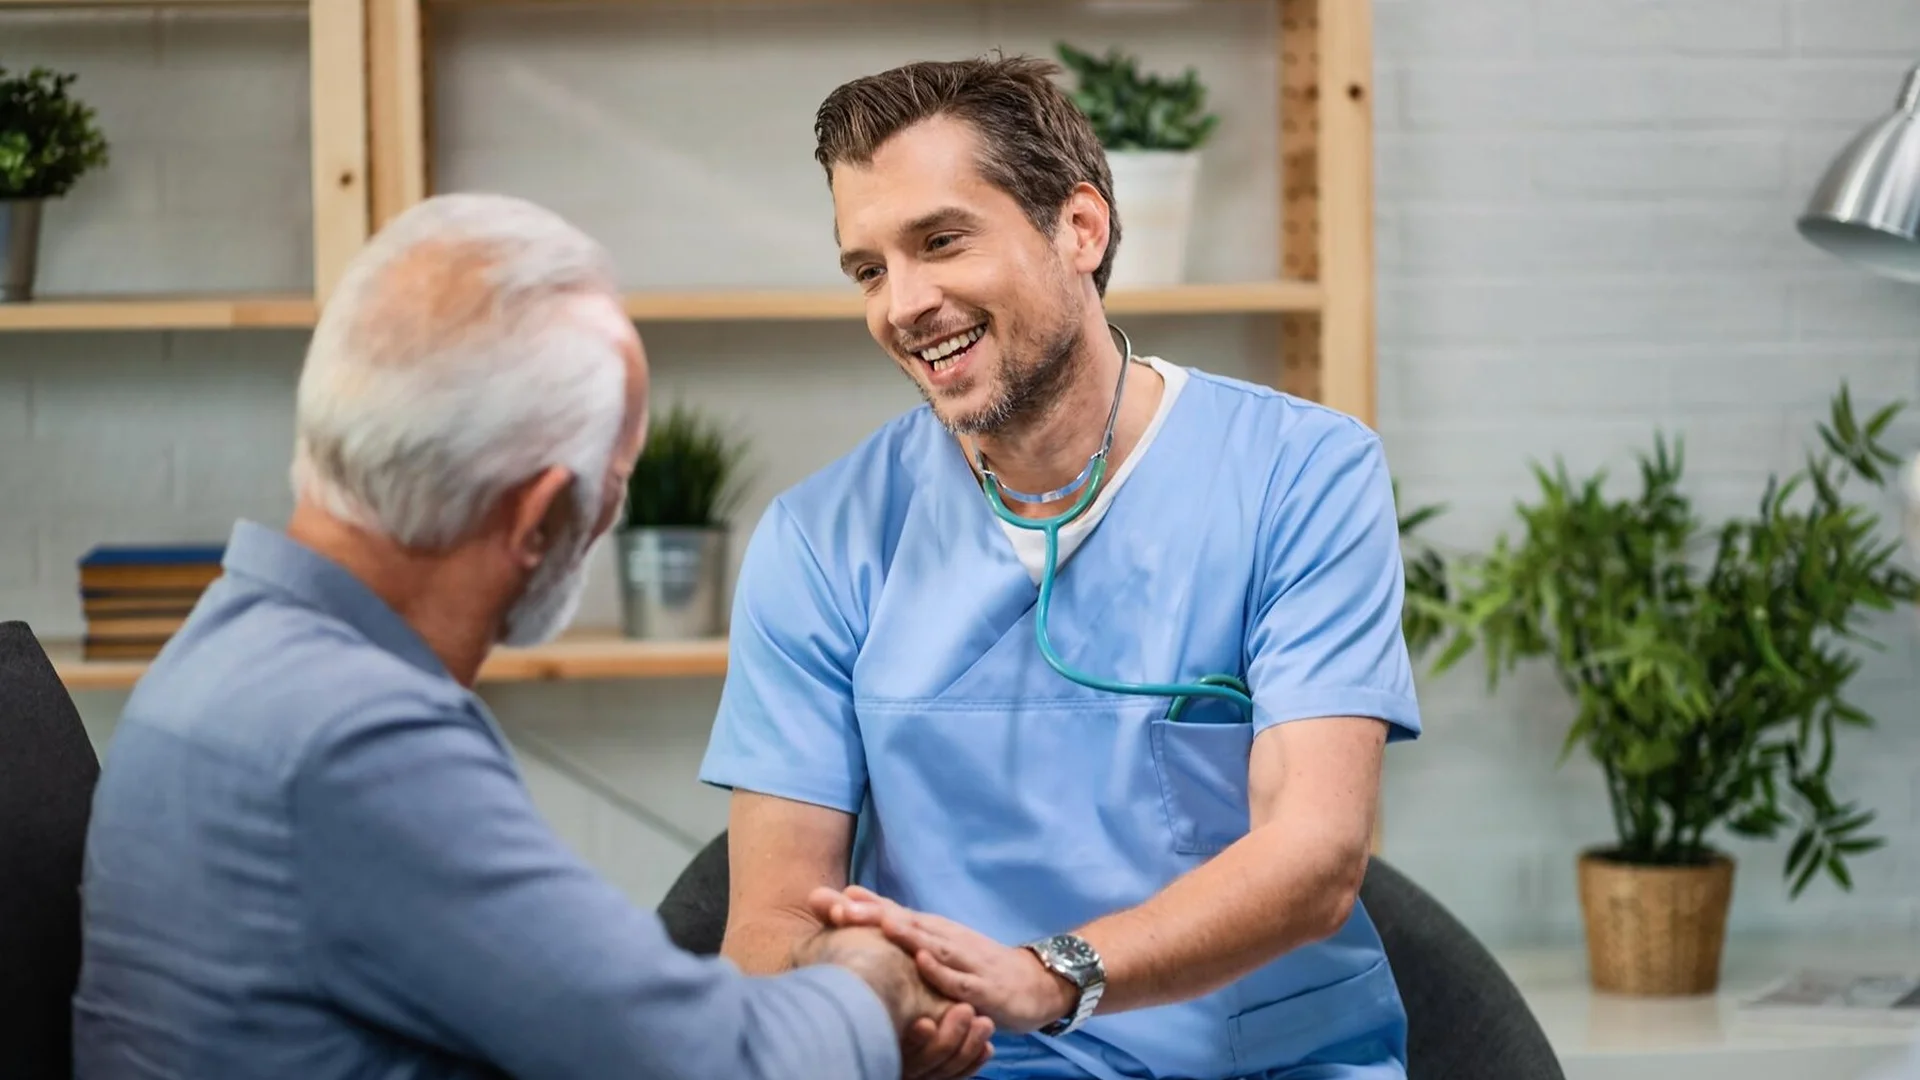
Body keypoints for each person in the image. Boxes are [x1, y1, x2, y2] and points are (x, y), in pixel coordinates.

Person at [70, 192, 993, 1080]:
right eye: (615, 485)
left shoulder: (225, 651)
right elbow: (706, 1066)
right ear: (541, 516)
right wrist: (867, 984)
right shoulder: (352, 739)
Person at [697, 54, 1423, 1080]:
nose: (902, 304)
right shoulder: (822, 538)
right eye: (868, 268)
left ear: (1079, 229)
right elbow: (769, 940)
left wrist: (1052, 977)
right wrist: (876, 999)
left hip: (1259, 1062)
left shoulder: (1301, 474)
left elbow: (1315, 861)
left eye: (941, 241)